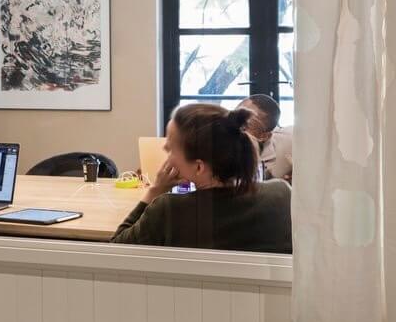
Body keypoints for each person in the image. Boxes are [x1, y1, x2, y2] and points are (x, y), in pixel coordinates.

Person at [111, 103, 292, 253]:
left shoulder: (168, 209)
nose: (166, 153)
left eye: (170, 148)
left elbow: (116, 252)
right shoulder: (281, 194)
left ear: (199, 167)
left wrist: (154, 191)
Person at [237, 94, 294, 181]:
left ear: (264, 136)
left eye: (244, 127)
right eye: (234, 117)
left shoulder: (290, 142)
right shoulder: (215, 141)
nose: (233, 127)